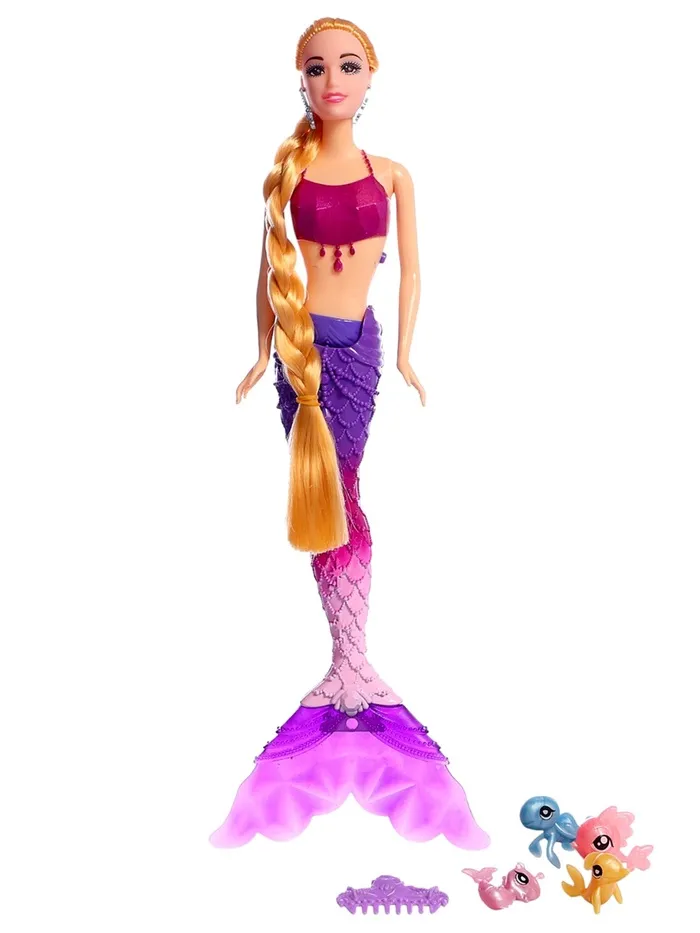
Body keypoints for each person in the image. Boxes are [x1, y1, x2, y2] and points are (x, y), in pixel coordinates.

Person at [211, 17, 488, 849]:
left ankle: (350, 662)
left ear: (372, 78)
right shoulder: (287, 175)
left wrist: (404, 354)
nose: (333, 79)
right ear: (301, 80)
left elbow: (413, 270)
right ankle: (350, 662)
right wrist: (259, 353)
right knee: (324, 495)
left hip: (359, 352)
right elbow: (268, 273)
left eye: (349, 65)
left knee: (347, 491)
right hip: (301, 358)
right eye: (317, 67)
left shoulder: (393, 174)